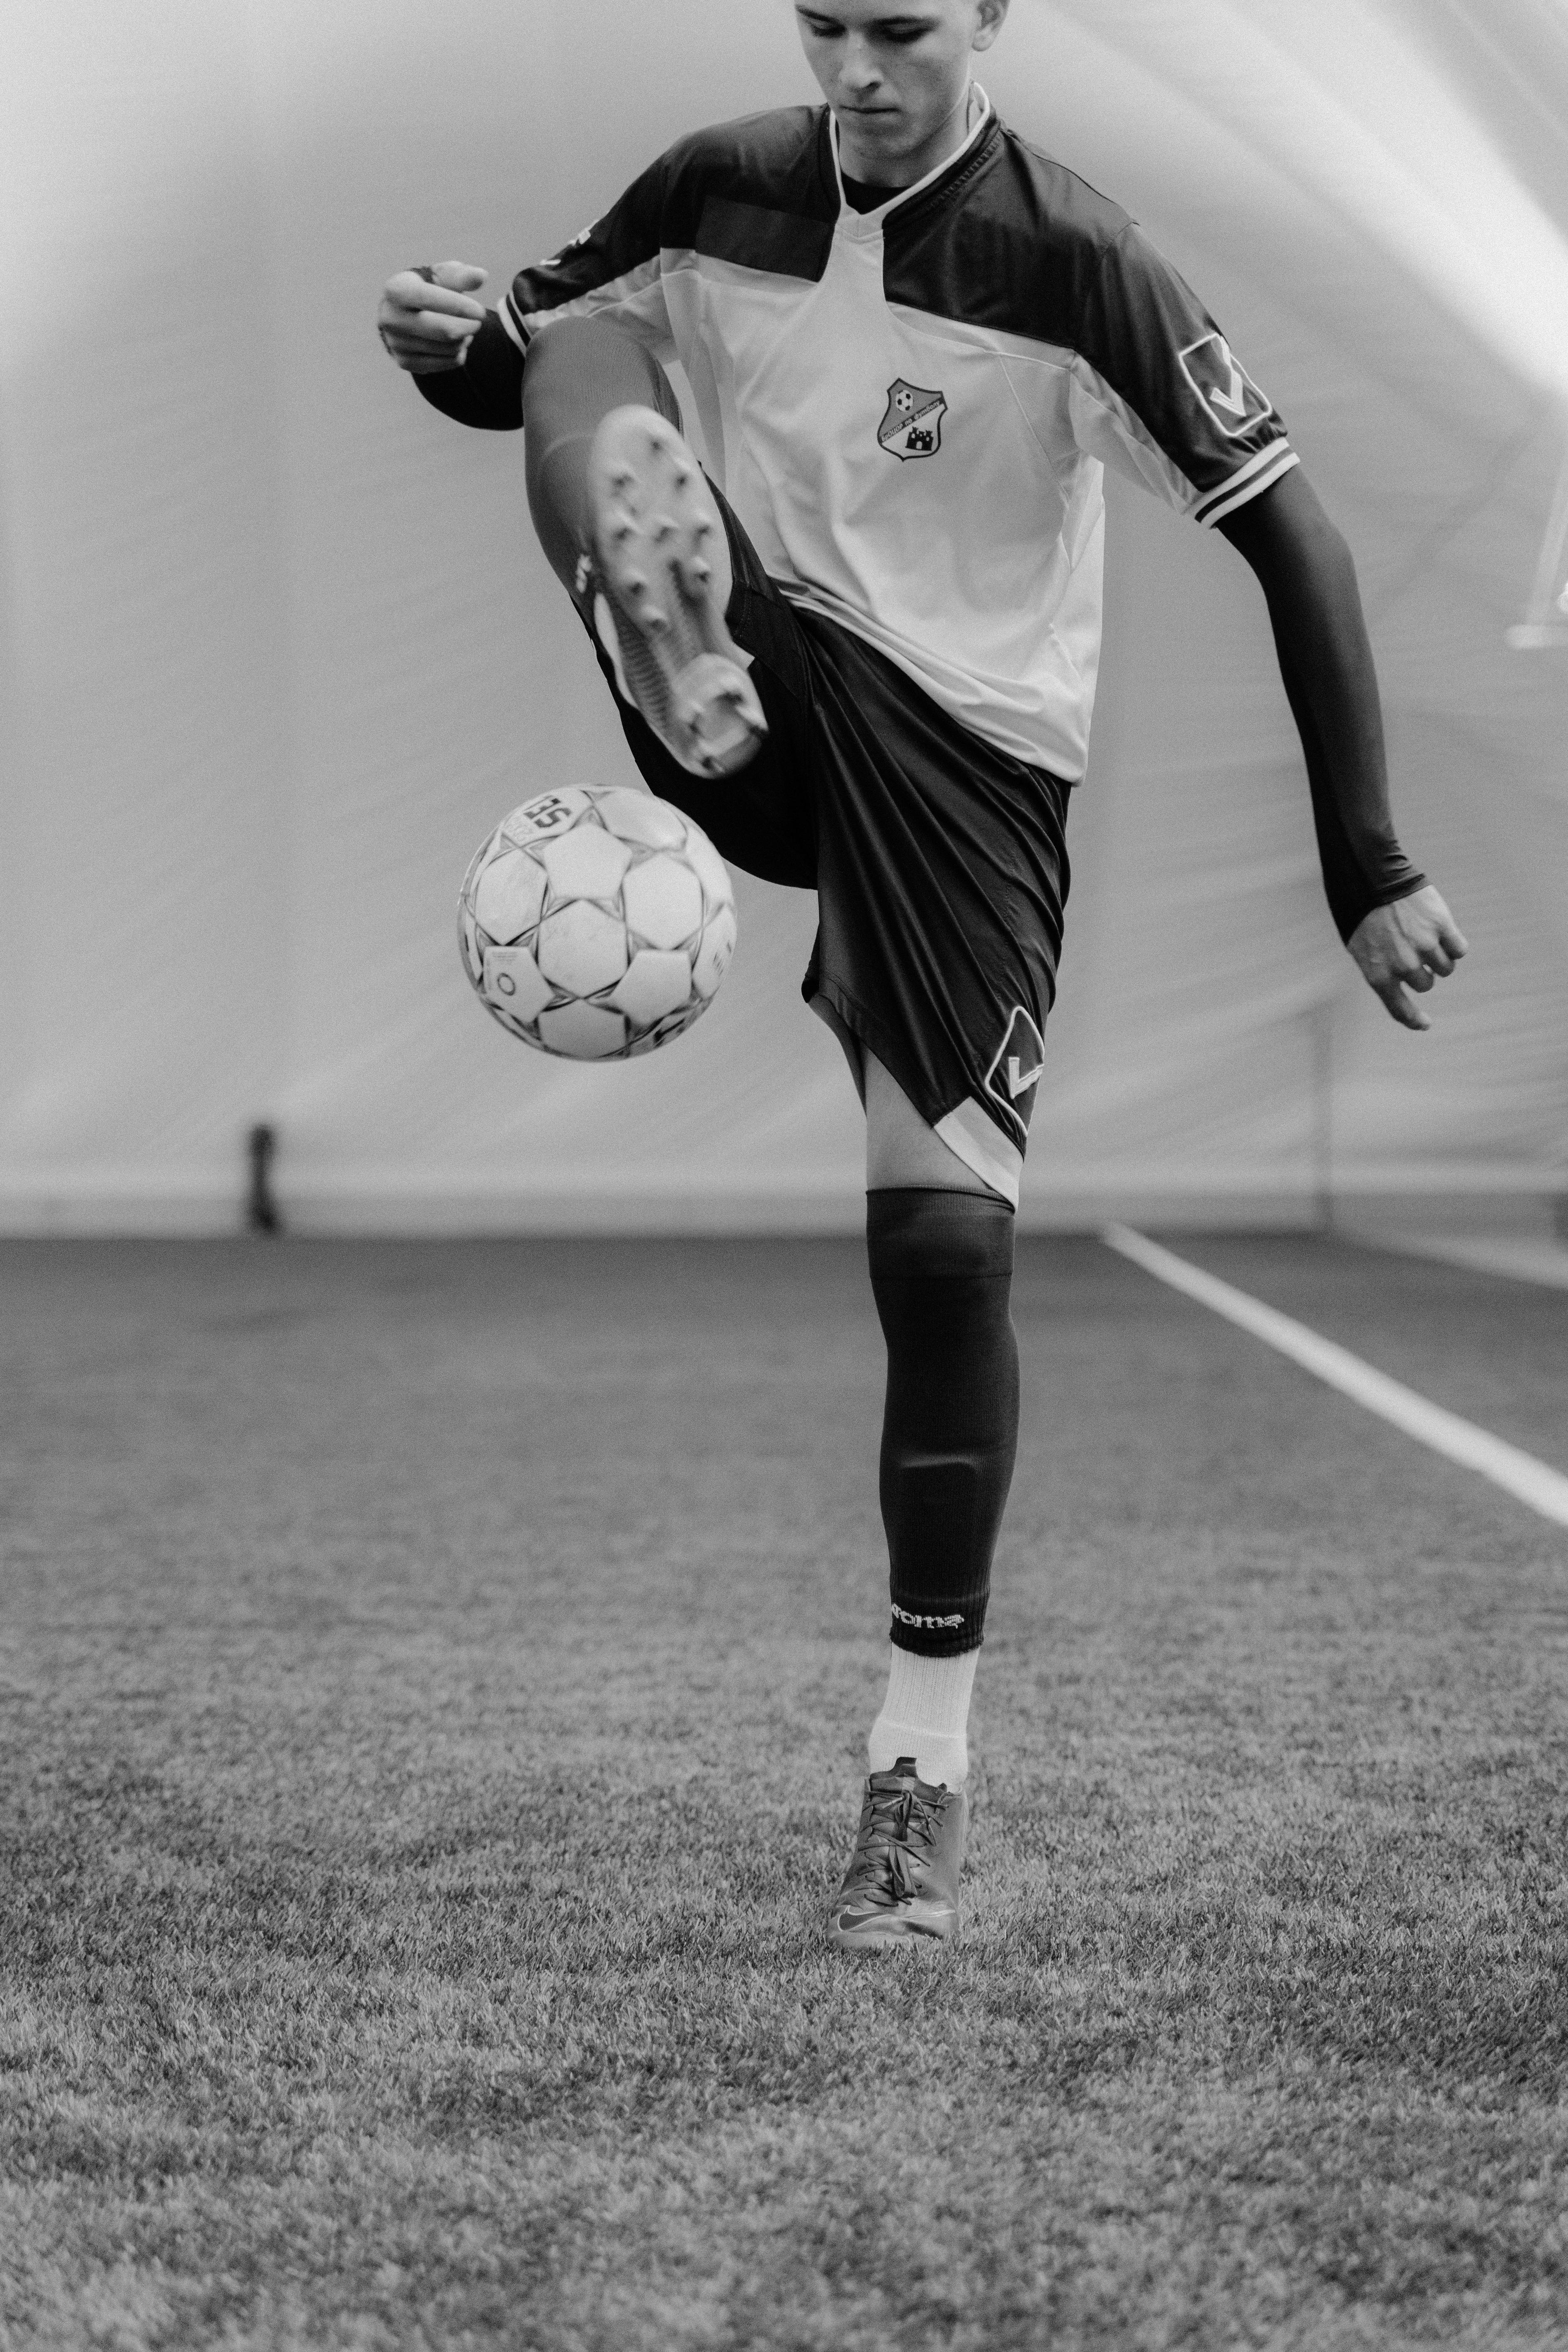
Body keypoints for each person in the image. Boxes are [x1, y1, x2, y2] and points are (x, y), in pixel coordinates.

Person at [377, 0, 1467, 1951]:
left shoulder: (1080, 262)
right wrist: (467, 351)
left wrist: (1366, 865)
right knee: (603, 344)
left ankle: (921, 1759)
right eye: (825, 27)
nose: (857, 72)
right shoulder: (719, 185)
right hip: (776, 665)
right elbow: (509, 364)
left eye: (901, 30)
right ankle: (670, 634)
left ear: (985, 23)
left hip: (971, 765)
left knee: (947, 1252)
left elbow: (1290, 537)